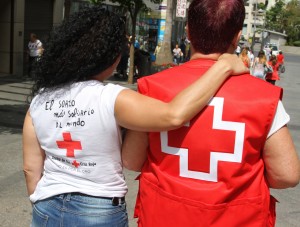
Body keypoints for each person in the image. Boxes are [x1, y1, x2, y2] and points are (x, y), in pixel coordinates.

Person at [22, 5, 248, 227]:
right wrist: (222, 68)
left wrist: (41, 201)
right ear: (111, 57)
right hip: (98, 210)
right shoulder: (112, 97)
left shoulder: (39, 100)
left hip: (46, 205)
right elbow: (174, 115)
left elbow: (31, 168)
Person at [122, 0, 300, 226]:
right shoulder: (264, 97)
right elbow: (287, 175)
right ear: (236, 37)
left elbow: (131, 159)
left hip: (163, 215)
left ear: (187, 31)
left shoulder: (153, 88)